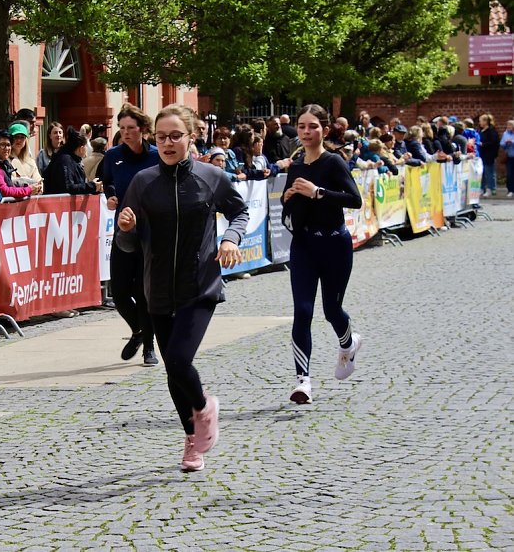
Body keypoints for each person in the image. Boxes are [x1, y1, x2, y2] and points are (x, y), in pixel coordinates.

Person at [115, 103, 249, 472]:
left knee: (178, 359)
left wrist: (231, 239)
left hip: (199, 284)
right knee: (174, 372)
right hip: (156, 287)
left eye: (176, 136)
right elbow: (126, 244)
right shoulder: (143, 183)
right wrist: (126, 229)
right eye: (161, 137)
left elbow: (240, 211)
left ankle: (205, 408)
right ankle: (192, 440)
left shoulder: (210, 176)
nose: (168, 143)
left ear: (191, 137)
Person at [279, 104, 363, 405]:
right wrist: (289, 200)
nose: (305, 132)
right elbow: (288, 218)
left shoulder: (334, 163)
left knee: (331, 310)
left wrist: (318, 192)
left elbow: (355, 200)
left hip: (335, 245)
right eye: (301, 126)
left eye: (312, 126)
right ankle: (303, 381)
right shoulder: (297, 167)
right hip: (304, 245)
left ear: (324, 130)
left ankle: (348, 343)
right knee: (302, 311)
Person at [101, 103, 161, 367]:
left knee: (144, 291)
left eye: (131, 128)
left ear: (143, 130)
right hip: (123, 230)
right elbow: (108, 182)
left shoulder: (157, 156)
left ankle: (149, 346)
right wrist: (111, 197)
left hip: (149, 232)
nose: (125, 133)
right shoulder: (113, 155)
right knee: (121, 292)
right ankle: (138, 331)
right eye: (122, 128)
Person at [0, 129, 42, 199]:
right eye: (2, 145)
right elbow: (4, 191)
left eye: (8, 145)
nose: (7, 148)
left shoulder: (2, 163)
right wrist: (28, 190)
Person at [43, 126, 103, 196]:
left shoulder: (72, 160)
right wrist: (92, 186)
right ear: (81, 148)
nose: (88, 149)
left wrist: (94, 188)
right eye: (86, 146)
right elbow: (68, 187)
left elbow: (78, 186)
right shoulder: (65, 160)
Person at [478, 113, 500, 196]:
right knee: (482, 172)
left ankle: (491, 188)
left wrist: (483, 144)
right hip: (481, 155)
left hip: (489, 155)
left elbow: (493, 143)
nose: (480, 123)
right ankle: (482, 188)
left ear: (485, 121)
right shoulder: (480, 131)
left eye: (481, 121)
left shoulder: (491, 131)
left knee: (489, 172)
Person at [502, 120, 514, 198]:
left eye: (510, 126)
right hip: (509, 156)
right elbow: (501, 143)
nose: (508, 127)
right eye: (507, 125)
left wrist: (512, 141)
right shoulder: (505, 133)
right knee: (509, 174)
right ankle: (510, 190)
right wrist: (505, 143)